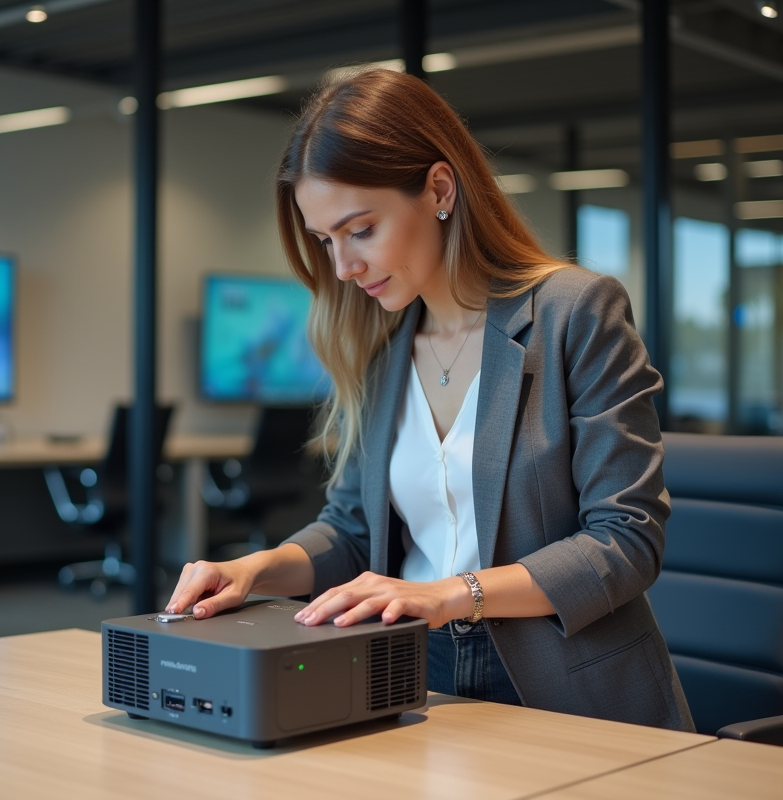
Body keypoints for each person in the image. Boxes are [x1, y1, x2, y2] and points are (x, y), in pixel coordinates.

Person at [168, 68, 694, 732]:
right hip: (409, 671)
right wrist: (253, 569)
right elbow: (354, 531)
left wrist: (451, 595)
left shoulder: (574, 314)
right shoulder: (381, 342)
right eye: (325, 240)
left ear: (440, 189)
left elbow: (626, 541)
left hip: (560, 681)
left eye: (360, 229)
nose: (342, 267)